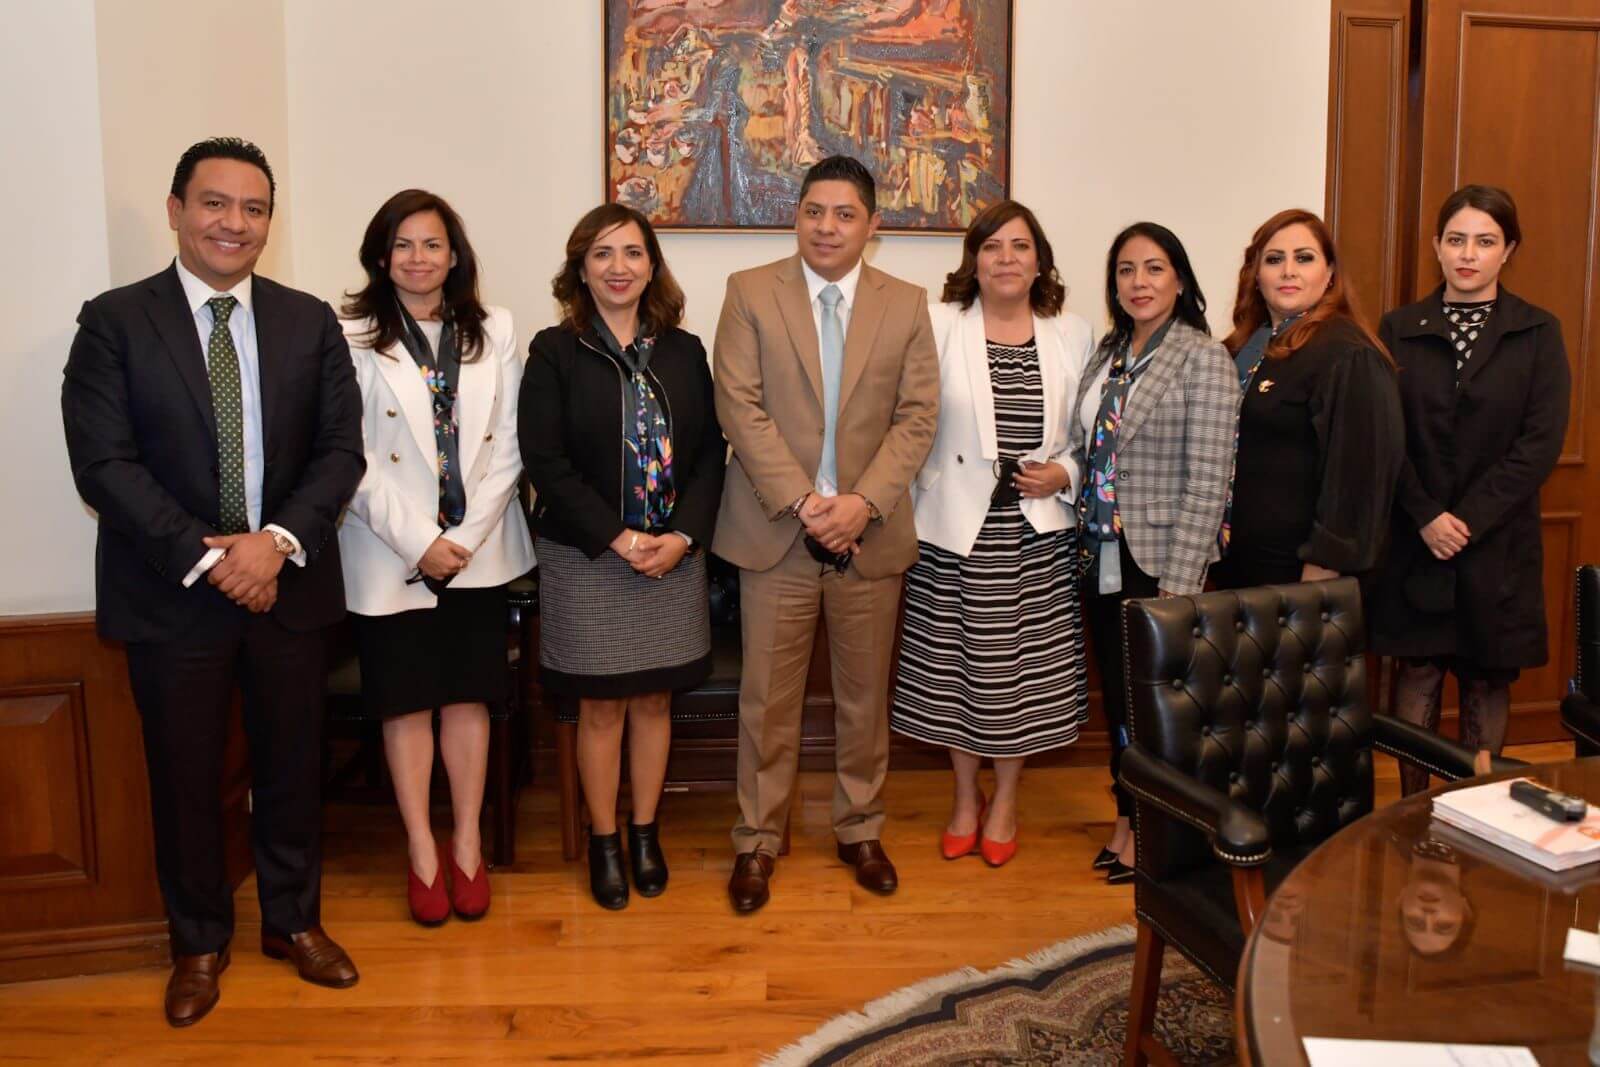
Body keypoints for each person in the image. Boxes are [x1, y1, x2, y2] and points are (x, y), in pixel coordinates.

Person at [61, 137, 364, 1026]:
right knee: (186, 776)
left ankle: (294, 923)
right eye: (216, 203)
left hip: (289, 587)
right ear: (176, 210)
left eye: (254, 208)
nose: (235, 223)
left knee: (292, 764)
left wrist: (273, 544)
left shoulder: (311, 321)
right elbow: (103, 464)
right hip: (172, 594)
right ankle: (197, 942)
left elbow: (340, 450)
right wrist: (216, 558)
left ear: (271, 219)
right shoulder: (115, 322)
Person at [714, 155, 939, 913]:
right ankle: (757, 839)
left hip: (869, 536)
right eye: (815, 211)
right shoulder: (749, 293)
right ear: (796, 216)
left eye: (845, 214)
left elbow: (917, 417)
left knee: (862, 696)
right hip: (776, 529)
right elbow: (739, 407)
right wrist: (809, 501)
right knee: (765, 700)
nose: (827, 226)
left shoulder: (907, 304)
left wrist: (863, 503)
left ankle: (860, 827)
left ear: (872, 226)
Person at [337, 189, 534, 925]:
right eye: (403, 245)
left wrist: (465, 535)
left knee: (468, 697)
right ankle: (421, 847)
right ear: (380, 256)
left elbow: (510, 444)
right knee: (406, 701)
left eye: (432, 244)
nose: (418, 259)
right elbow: (348, 454)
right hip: (390, 548)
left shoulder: (496, 329)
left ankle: (468, 843)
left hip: (476, 549)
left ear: (455, 255)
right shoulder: (349, 332)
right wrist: (422, 539)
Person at [521, 204, 724, 910]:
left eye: (633, 253)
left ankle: (646, 832)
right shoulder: (555, 351)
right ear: (581, 267)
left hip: (672, 553)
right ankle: (604, 840)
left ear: (652, 265)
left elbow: (708, 458)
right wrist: (618, 537)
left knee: (654, 699)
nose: (618, 267)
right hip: (589, 556)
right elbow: (544, 460)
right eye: (603, 254)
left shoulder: (684, 351)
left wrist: (682, 536)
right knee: (601, 708)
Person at [891, 200, 1092, 867]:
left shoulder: (1074, 332)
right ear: (972, 260)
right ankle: (964, 796)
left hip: (1037, 533)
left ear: (1040, 261)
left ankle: (1005, 798)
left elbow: (1098, 436)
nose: (1006, 258)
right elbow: (906, 417)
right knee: (953, 669)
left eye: (1020, 246)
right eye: (992, 246)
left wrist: (1064, 470)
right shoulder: (938, 324)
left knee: (1021, 676)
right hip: (954, 529)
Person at [1369, 185, 1571, 794]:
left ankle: (1479, 810)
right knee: (1418, 673)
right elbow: (1388, 436)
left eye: (1485, 241)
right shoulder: (1400, 329)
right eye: (1456, 239)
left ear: (1508, 250)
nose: (1468, 254)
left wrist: (1468, 521)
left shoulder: (1537, 332)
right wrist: (1429, 516)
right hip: (1417, 538)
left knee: (1487, 679)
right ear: (1436, 246)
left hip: (1496, 542)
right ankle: (1413, 809)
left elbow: (1539, 444)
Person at [1070, 222, 1237, 885]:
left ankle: (1156, 827)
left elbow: (1210, 481)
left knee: (1161, 705)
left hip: (1161, 562)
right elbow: (1090, 450)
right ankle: (1127, 815)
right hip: (1098, 554)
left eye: (1154, 268)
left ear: (1181, 279)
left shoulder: (1202, 356)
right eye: (1126, 270)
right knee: (1122, 698)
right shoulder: (1109, 351)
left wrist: (1180, 580)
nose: (1139, 282)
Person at [1210, 208, 1403, 591]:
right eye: (1274, 259)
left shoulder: (1347, 352)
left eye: (1304, 258)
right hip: (1238, 562)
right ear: (1256, 275)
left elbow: (1359, 473)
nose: (1288, 271)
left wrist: (1324, 566)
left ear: (1329, 274)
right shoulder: (1246, 351)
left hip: (1301, 573)